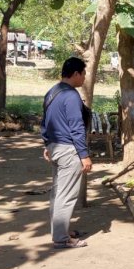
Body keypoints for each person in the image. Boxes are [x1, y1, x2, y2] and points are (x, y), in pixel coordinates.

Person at [41, 57, 92, 249]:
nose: (84, 78)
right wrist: (84, 155)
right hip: (69, 150)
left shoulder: (52, 92)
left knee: (57, 193)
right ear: (76, 74)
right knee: (66, 195)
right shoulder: (71, 96)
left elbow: (44, 122)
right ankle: (62, 239)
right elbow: (76, 127)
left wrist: (47, 144)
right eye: (84, 74)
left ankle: (60, 231)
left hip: (55, 148)